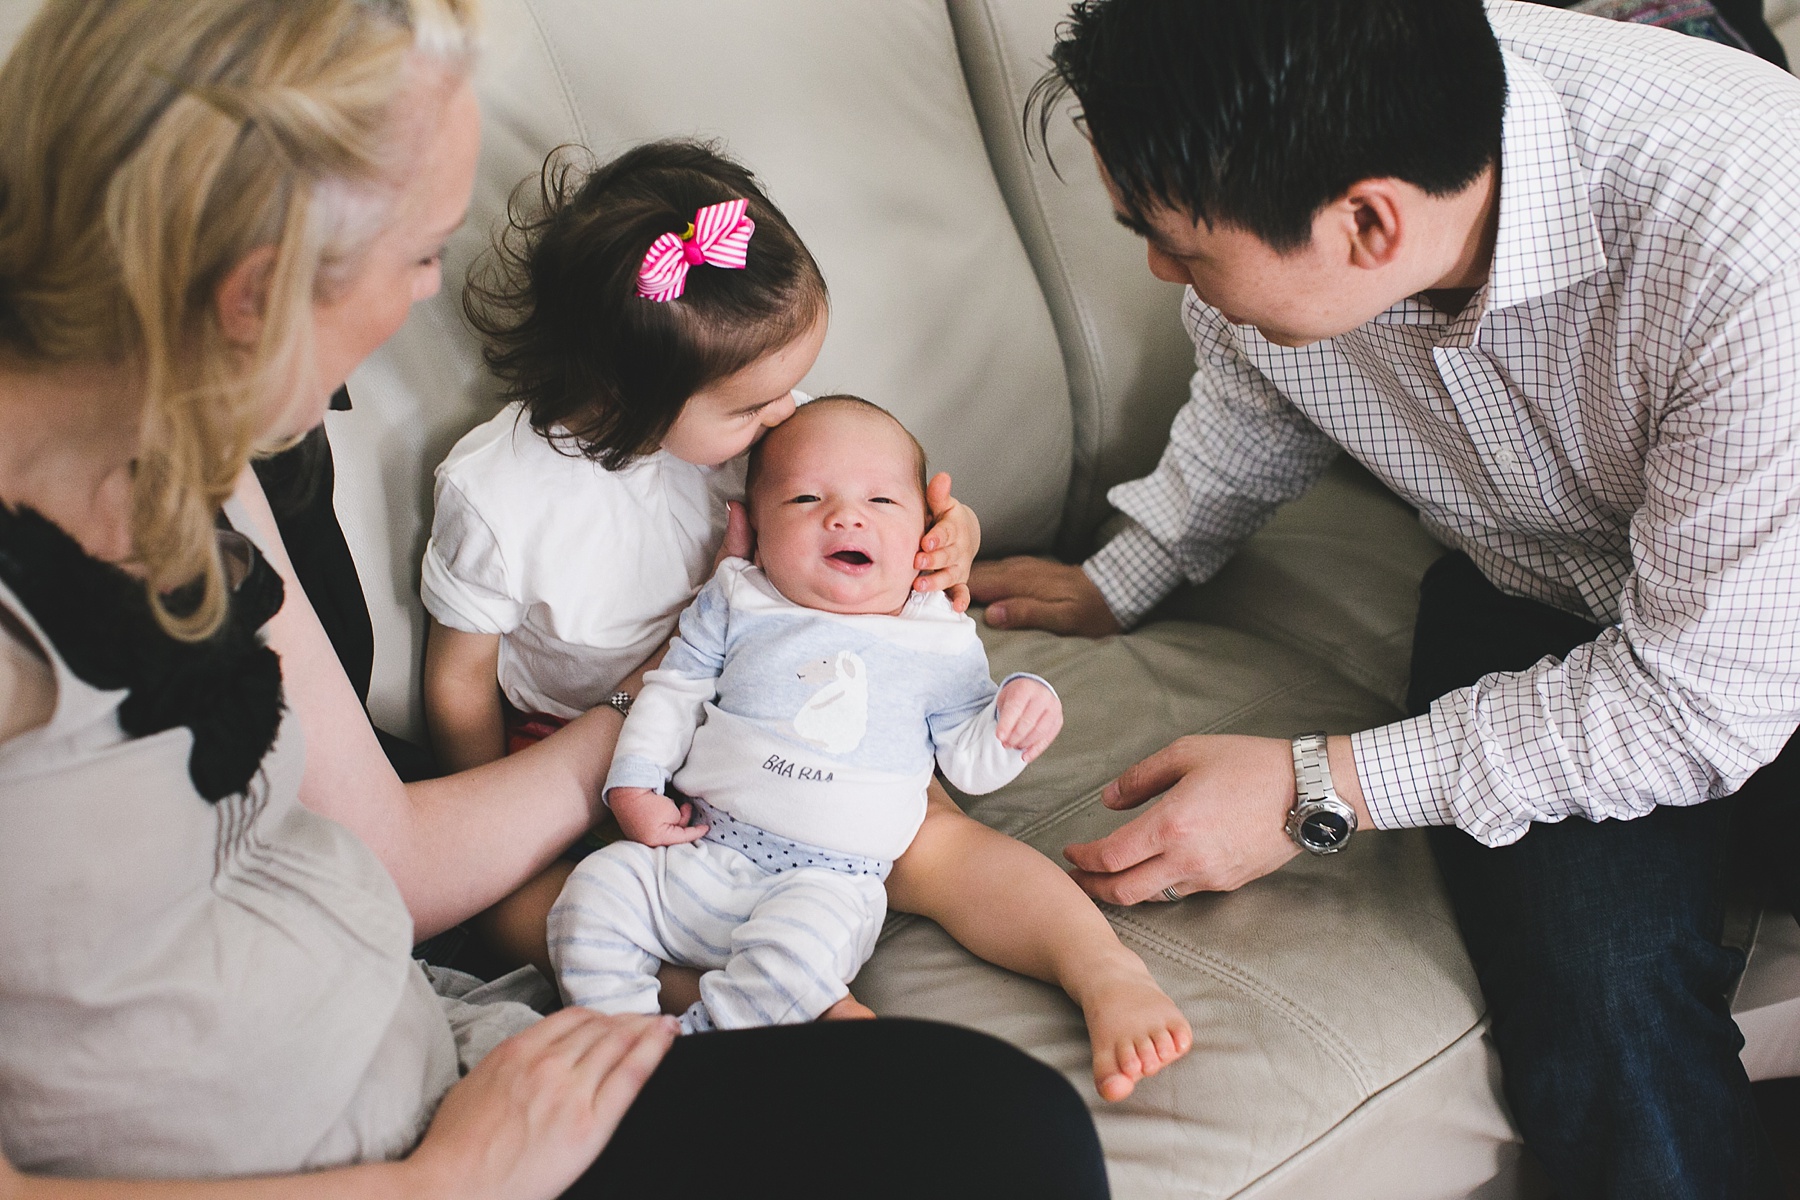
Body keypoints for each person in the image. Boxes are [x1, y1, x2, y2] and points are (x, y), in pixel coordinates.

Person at [0, 2, 1111, 1197]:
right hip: (367, 1173)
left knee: (1001, 1127)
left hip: (450, 1064)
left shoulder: (195, 451)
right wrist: (438, 1185)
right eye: (421, 254)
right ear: (253, 296)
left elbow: (386, 852)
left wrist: (676, 712)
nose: (431, 294)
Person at [972, 0, 1800, 1196]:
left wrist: (1317, 788)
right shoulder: (1306, 162)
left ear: (1369, 222)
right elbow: (1259, 388)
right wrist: (1125, 575)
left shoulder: (1748, 232)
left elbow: (1699, 706)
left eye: (1182, 246)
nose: (1162, 272)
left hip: (1768, 600)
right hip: (1536, 595)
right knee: (1594, 999)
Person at [425, 140, 1191, 1098]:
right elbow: (459, 678)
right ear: (630, 392)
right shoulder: (500, 496)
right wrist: (490, 815)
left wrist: (950, 537)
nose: (787, 412)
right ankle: (738, 999)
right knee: (530, 904)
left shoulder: (735, 415)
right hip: (594, 747)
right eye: (756, 405)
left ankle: (1103, 971)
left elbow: (873, 498)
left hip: (788, 692)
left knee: (939, 842)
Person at [553, 397, 1070, 1034]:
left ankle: (694, 1048)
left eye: (882, 502)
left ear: (927, 539)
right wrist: (634, 782)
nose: (846, 517)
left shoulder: (936, 634)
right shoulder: (740, 595)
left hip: (826, 884)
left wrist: (1016, 716)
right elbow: (675, 687)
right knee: (593, 894)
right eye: (805, 501)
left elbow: (970, 761)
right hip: (698, 846)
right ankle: (614, 1033)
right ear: (755, 529)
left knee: (793, 968)